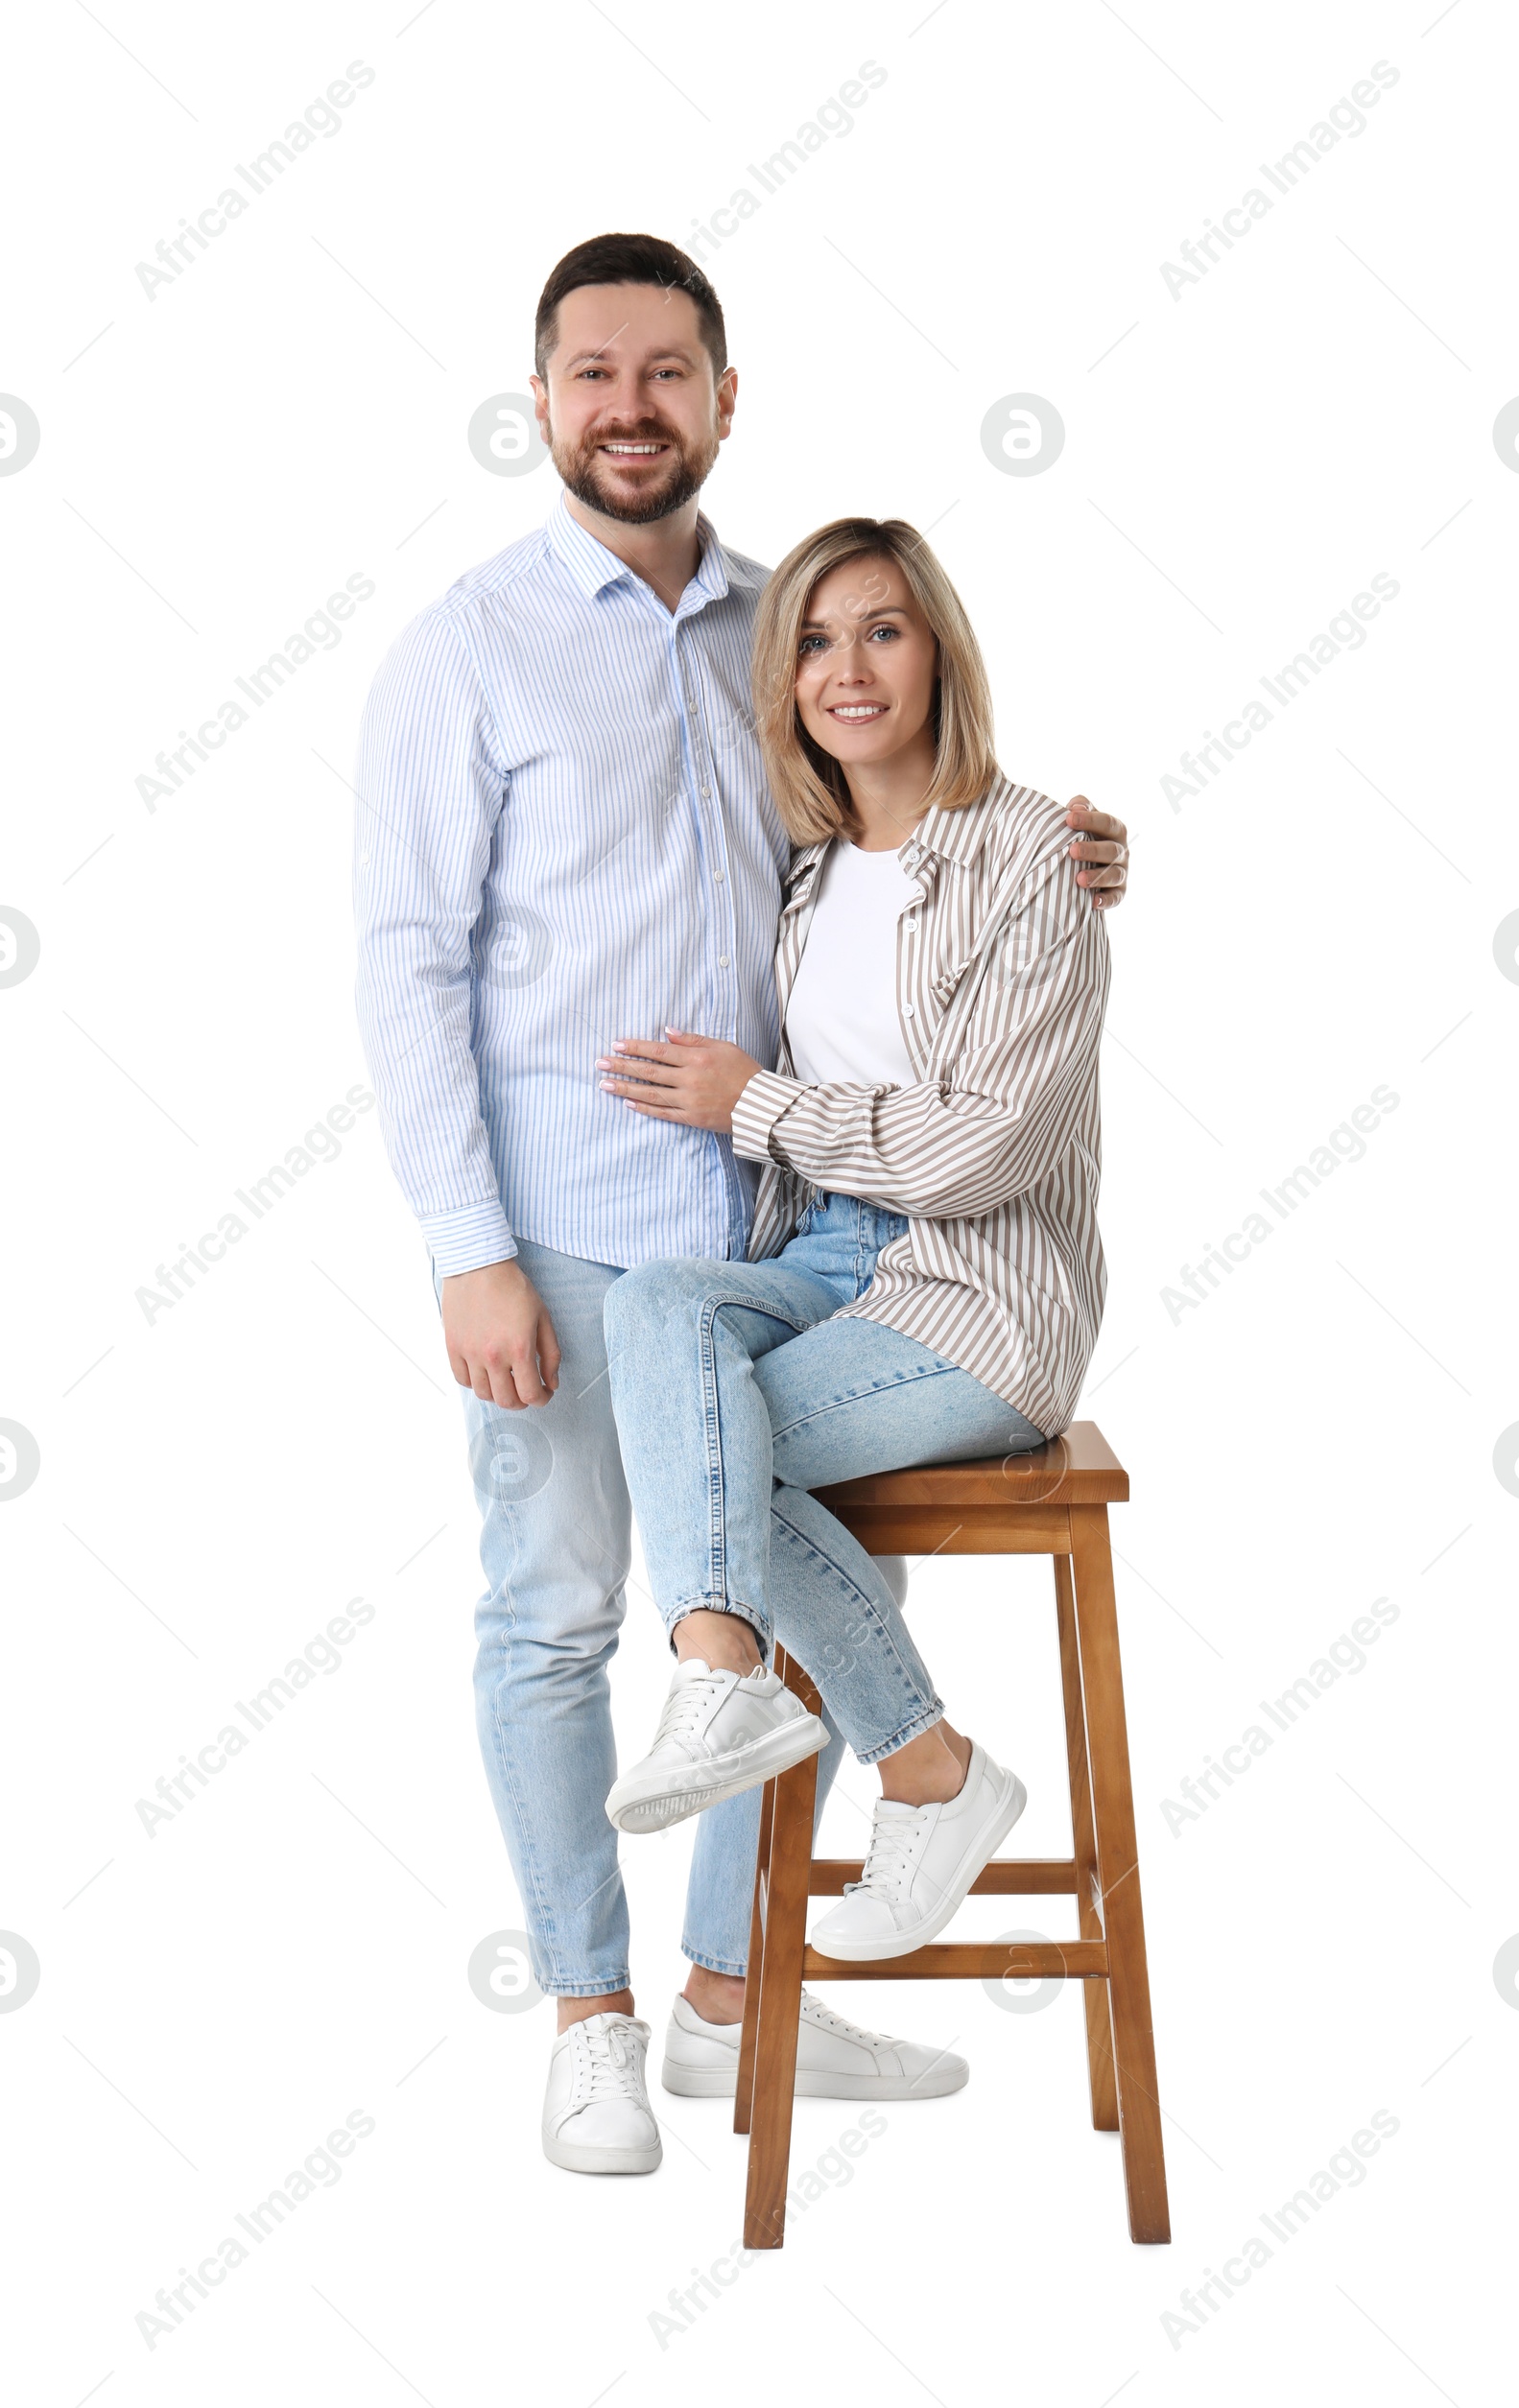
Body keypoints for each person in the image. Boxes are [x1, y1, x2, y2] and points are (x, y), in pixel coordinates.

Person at [354, 232, 1132, 2179]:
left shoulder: (783, 616)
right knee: (549, 1620)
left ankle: (728, 2002)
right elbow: (402, 961)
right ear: (539, 401)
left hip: (779, 1228)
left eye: (665, 371)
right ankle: (595, 2020)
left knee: (737, 1602)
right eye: (590, 372)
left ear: (721, 391)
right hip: (555, 1224)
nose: (628, 405)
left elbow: (910, 802)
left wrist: (1061, 841)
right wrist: (465, 1243)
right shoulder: (464, 648)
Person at [600, 516, 1104, 1962]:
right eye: (815, 640)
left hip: (979, 1294)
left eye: (883, 629)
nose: (848, 668)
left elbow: (981, 1146)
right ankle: (828, 1716)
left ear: (939, 647)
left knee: (706, 1445)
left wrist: (751, 1101)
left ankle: (882, 1748)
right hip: (827, 1253)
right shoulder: (810, 874)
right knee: (658, 1314)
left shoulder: (1036, 858)